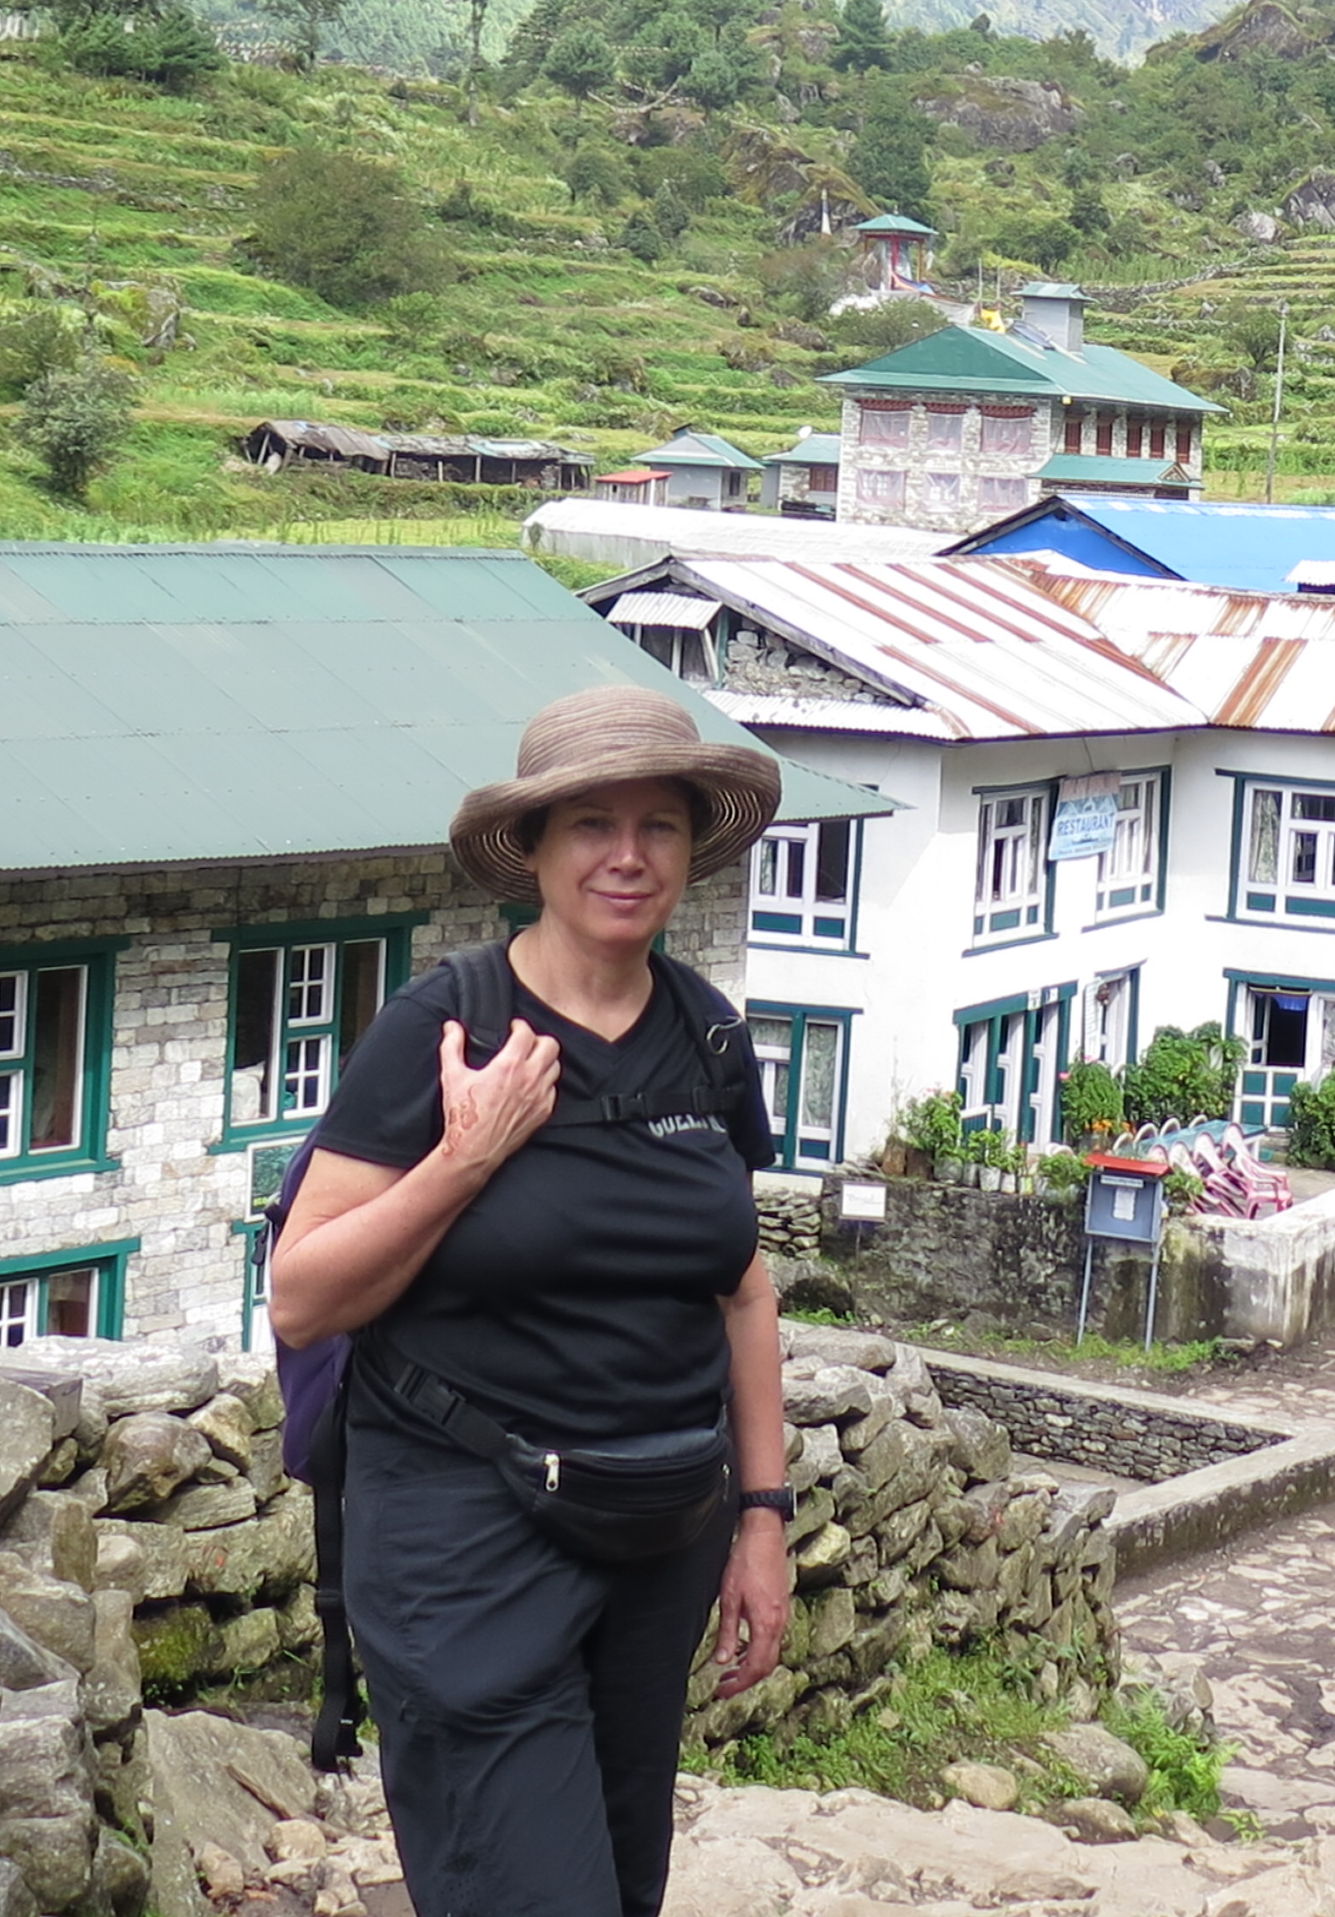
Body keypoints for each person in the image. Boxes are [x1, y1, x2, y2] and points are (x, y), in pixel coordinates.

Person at [272, 688, 796, 1917]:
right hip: (465, 1539)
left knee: (621, 1885)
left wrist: (762, 1520)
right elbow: (302, 1299)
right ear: (537, 852)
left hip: (657, 1532)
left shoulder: (708, 1039)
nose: (627, 857)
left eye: (659, 827)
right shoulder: (444, 1029)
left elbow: (742, 1288)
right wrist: (467, 1156)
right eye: (591, 826)